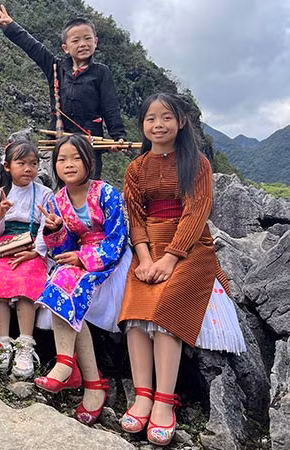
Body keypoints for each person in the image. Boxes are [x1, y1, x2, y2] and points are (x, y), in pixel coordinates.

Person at [118, 93, 246, 446]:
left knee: (166, 313)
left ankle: (164, 399)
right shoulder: (135, 169)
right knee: (133, 317)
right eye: (151, 119)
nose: (158, 125)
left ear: (182, 122)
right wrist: (143, 259)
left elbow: (196, 212)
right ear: (142, 125)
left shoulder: (197, 163)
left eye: (166, 118)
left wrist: (169, 258)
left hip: (190, 247)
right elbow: (137, 219)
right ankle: (142, 394)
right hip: (148, 247)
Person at [32, 134, 131, 426]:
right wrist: (55, 230)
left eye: (76, 158)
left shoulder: (106, 193)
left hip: (110, 259)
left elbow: (118, 238)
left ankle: (84, 377)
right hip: (78, 259)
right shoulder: (57, 200)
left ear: (90, 161)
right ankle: (72, 367)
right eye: (61, 159)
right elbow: (62, 249)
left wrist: (84, 259)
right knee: (61, 278)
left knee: (68, 283)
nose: (69, 164)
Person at [0, 5, 126, 179]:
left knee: (90, 185)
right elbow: (35, 48)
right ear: (65, 47)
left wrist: (118, 136)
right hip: (60, 139)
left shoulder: (102, 72)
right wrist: (11, 27)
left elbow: (110, 106)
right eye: (75, 41)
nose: (82, 44)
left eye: (87, 39)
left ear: (95, 41)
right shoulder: (56, 68)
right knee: (62, 186)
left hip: (90, 143)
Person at [0, 140, 53, 378]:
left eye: (33, 163)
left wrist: (37, 251)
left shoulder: (45, 193)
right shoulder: (0, 194)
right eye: (21, 163)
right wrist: (1, 214)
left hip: (32, 246)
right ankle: (2, 342)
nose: (28, 169)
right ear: (8, 166)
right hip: (5, 245)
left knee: (26, 282)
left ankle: (25, 343)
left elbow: (45, 226)